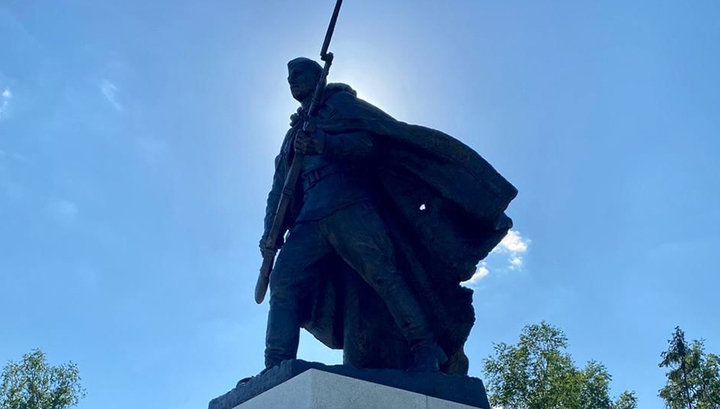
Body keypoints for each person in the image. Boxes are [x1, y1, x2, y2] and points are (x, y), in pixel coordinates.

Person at [260, 57, 448, 372]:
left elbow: (369, 145)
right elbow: (280, 188)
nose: (292, 80)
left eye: (299, 73)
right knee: (282, 282)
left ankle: (426, 347)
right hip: (309, 215)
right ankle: (276, 365)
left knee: (382, 275)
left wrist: (323, 142)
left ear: (318, 76)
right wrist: (270, 232)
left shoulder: (341, 105)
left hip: (348, 203)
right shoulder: (292, 132)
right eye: (288, 76)